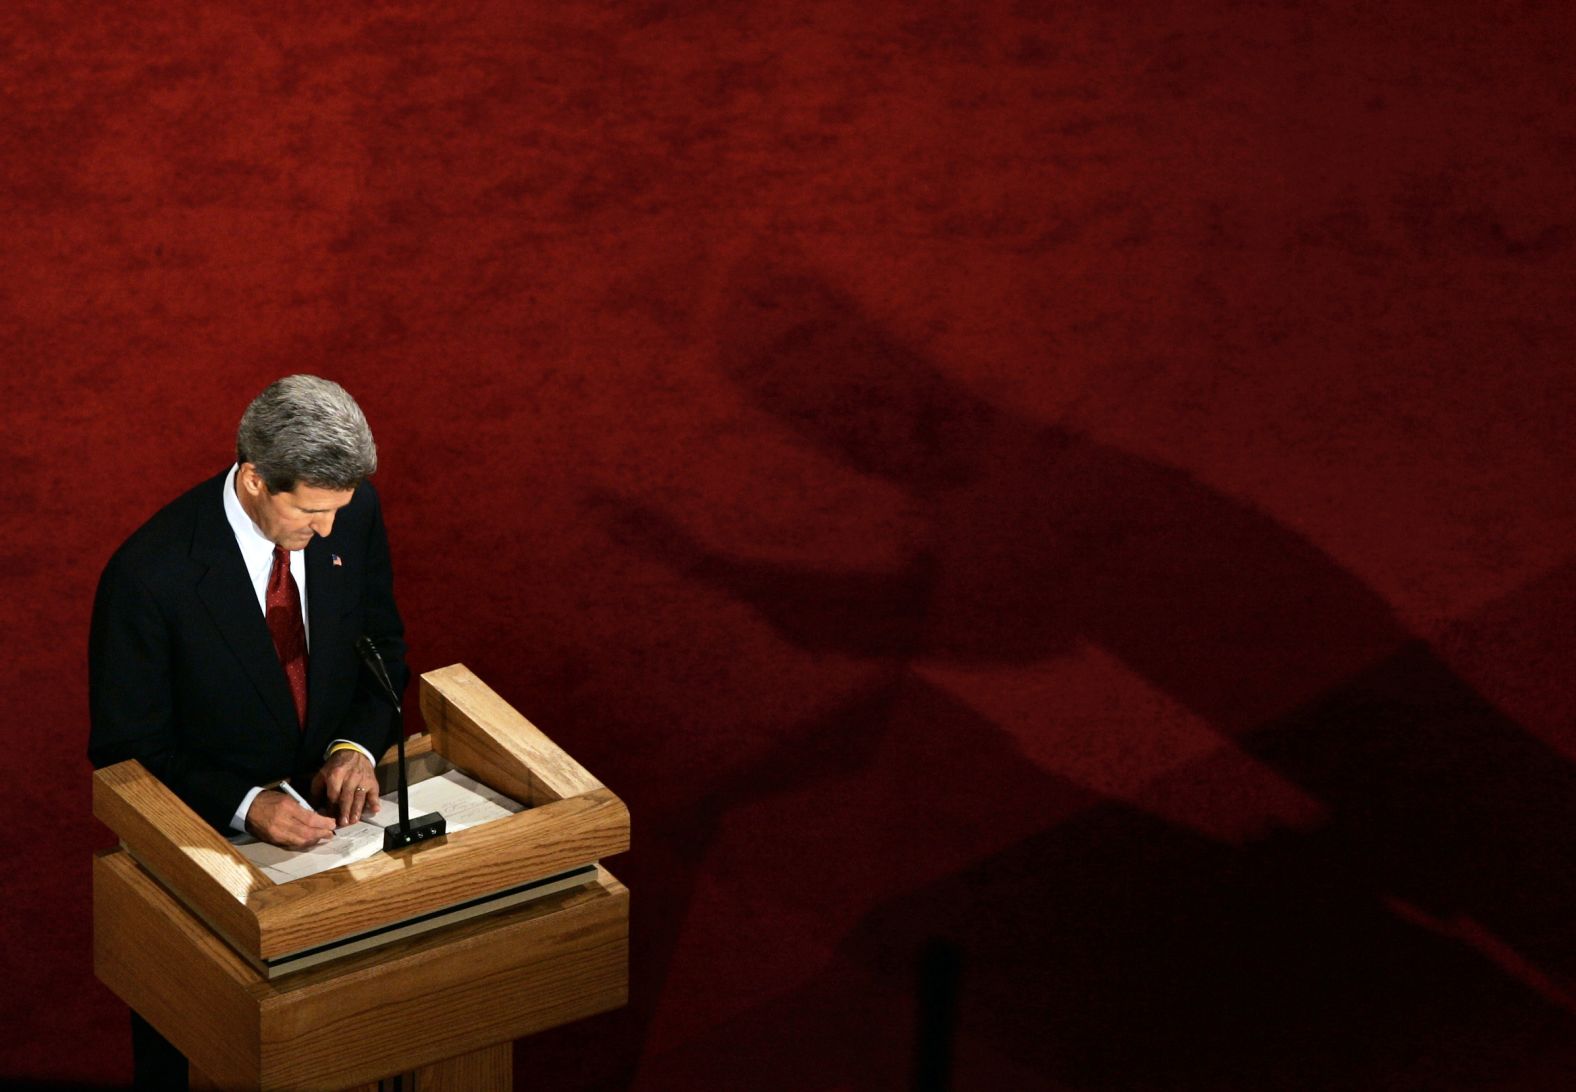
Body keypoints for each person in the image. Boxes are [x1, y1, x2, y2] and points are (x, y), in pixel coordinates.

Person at [88, 374, 408, 1088]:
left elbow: (379, 649)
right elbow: (123, 754)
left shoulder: (350, 517)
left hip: (333, 856)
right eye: (312, 511)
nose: (328, 530)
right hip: (203, 864)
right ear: (257, 478)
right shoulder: (150, 575)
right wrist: (245, 802)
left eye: (339, 510)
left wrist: (355, 746)